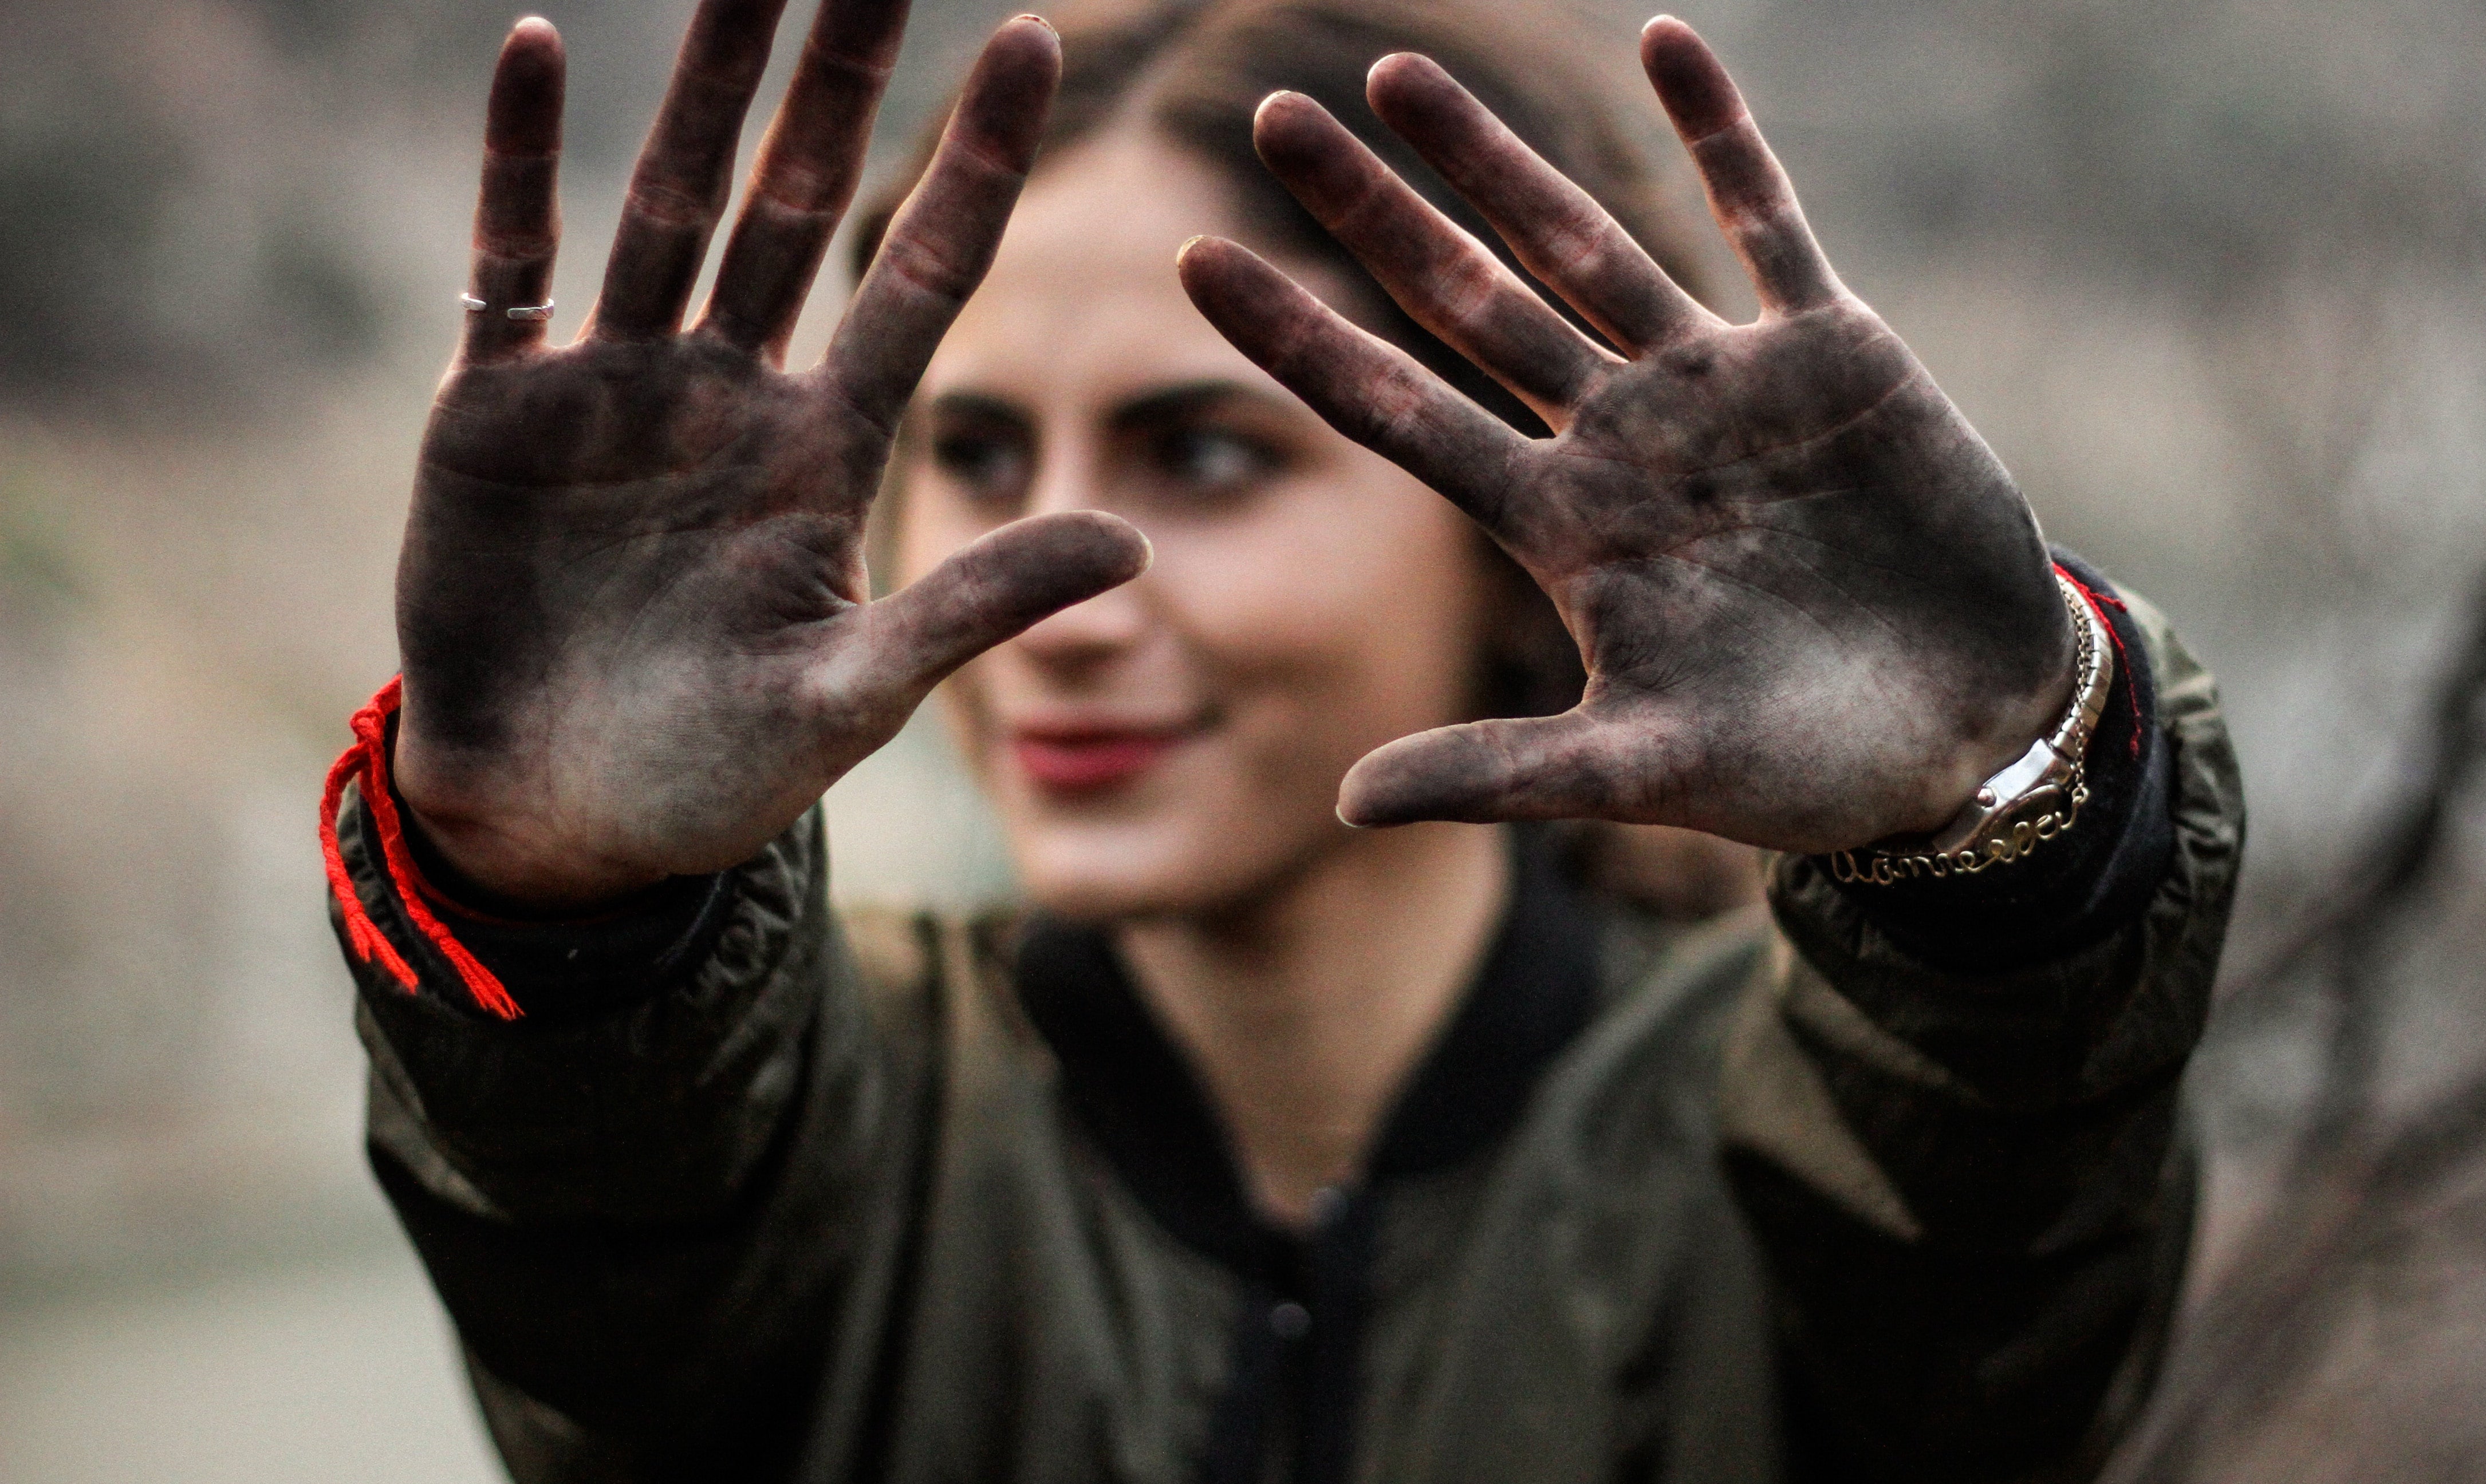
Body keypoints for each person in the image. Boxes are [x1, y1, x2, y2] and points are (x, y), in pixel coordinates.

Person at [316, 0, 2243, 1479]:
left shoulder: (1793, 1159)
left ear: (1520, 533)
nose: (1049, 589)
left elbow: (2003, 1202)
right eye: (973, 452)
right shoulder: (822, 1147)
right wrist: (570, 910)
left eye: (1209, 454)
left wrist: (2016, 804)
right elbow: (606, 1230)